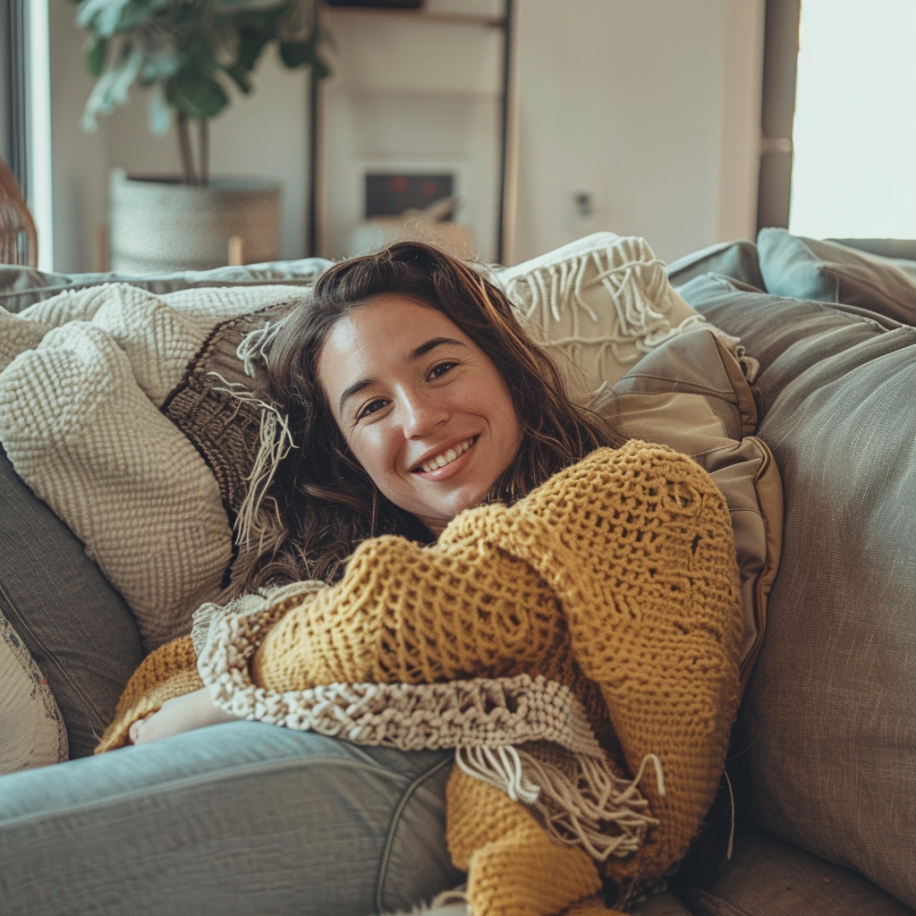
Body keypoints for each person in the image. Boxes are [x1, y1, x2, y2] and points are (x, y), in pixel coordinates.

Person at [0, 242, 743, 916]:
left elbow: (423, 621)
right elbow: (156, 701)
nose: (420, 417)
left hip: (453, 785)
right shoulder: (315, 584)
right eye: (373, 406)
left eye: (441, 367)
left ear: (507, 368)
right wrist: (237, 688)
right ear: (348, 453)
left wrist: (232, 690)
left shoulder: (640, 490)